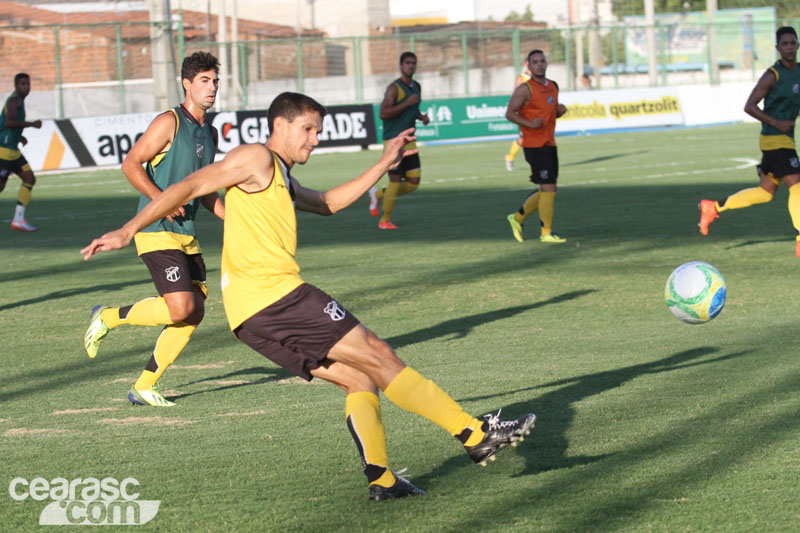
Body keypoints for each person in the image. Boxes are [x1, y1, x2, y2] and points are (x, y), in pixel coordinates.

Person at [81, 92, 536, 501]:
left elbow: (329, 203)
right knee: (378, 353)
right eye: (308, 129)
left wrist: (382, 163)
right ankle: (475, 435)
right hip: (276, 296)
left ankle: (382, 480)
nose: (315, 139)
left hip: (251, 318)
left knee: (360, 380)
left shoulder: (280, 173)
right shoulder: (255, 157)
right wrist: (128, 229)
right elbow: (190, 186)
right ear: (280, 125)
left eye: (318, 130)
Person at [82, 51, 224, 407]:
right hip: (155, 228)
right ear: (186, 84)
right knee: (179, 308)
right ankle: (108, 317)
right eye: (204, 81)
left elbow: (205, 191)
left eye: (215, 80)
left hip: (187, 233)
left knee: (194, 313)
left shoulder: (210, 133)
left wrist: (238, 219)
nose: (212, 87)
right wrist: (161, 198)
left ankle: (144, 386)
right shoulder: (169, 122)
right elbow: (131, 164)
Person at [699, 27, 800, 256]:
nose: (789, 47)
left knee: (765, 192)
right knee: (797, 185)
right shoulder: (772, 75)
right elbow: (749, 106)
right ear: (777, 48)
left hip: (786, 140)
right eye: (784, 44)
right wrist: (776, 123)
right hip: (774, 139)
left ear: (797, 45)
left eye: (792, 43)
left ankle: (712, 207)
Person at [505, 50, 569, 244]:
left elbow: (550, 112)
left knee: (548, 188)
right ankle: (546, 233)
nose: (540, 65)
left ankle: (517, 218)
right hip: (534, 145)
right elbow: (510, 113)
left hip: (550, 142)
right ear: (529, 66)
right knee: (548, 187)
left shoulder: (553, 86)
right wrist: (529, 124)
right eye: (535, 62)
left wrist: (559, 112)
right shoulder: (525, 89)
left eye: (542, 61)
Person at [368, 51, 429, 230]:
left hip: (409, 141)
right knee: (395, 181)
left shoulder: (417, 86)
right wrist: (406, 103)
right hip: (393, 142)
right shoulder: (394, 88)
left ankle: (377, 194)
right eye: (408, 63)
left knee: (413, 183)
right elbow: (383, 113)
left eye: (413, 63)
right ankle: (384, 220)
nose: (411, 66)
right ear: (401, 66)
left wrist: (421, 117)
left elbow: (413, 109)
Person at [0, 73, 42, 232]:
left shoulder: (19, 101)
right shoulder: (14, 100)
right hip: (3, 152)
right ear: (16, 85)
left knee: (29, 179)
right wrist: (31, 124)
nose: (26, 87)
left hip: (13, 151)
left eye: (28, 84)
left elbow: (8, 126)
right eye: (23, 84)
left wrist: (19, 137)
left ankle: (18, 220)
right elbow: (9, 122)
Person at [503, 64, 532, 171]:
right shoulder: (522, 78)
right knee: (524, 138)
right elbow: (516, 93)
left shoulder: (538, 78)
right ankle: (510, 157)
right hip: (525, 111)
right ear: (526, 65)